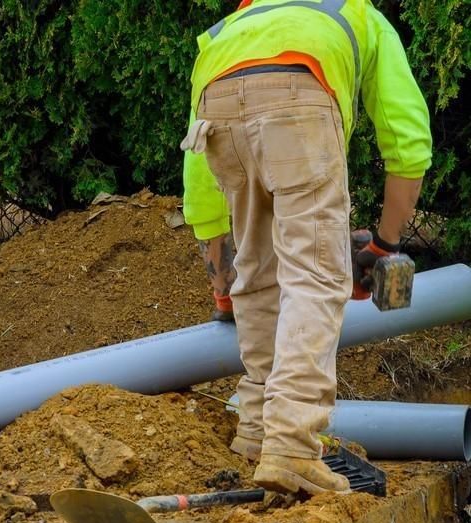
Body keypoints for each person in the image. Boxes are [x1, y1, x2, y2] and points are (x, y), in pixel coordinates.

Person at [181, 0, 431, 495]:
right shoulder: (359, 14)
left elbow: (199, 184)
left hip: (218, 105)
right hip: (301, 94)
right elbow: (408, 138)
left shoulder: (228, 29)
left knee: (259, 273)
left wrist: (223, 285)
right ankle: (292, 444)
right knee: (315, 274)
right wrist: (384, 245)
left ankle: (256, 428)